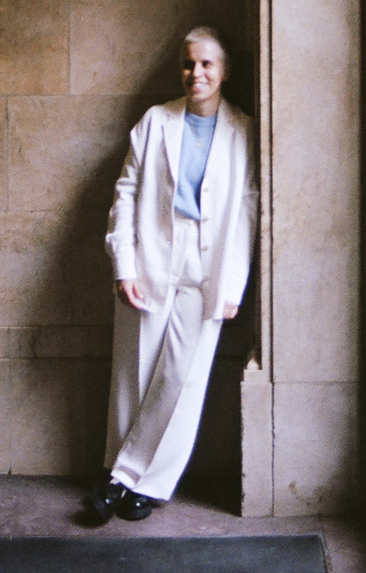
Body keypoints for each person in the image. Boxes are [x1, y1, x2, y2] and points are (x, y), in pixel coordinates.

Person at [86, 26, 258, 523]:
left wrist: (233, 285)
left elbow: (246, 211)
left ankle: (126, 480)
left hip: (208, 264)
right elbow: (125, 193)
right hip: (153, 253)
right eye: (188, 63)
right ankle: (130, 483)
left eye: (206, 64)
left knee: (183, 377)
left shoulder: (244, 130)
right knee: (135, 373)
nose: (195, 73)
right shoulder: (155, 121)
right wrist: (124, 266)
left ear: (224, 71)